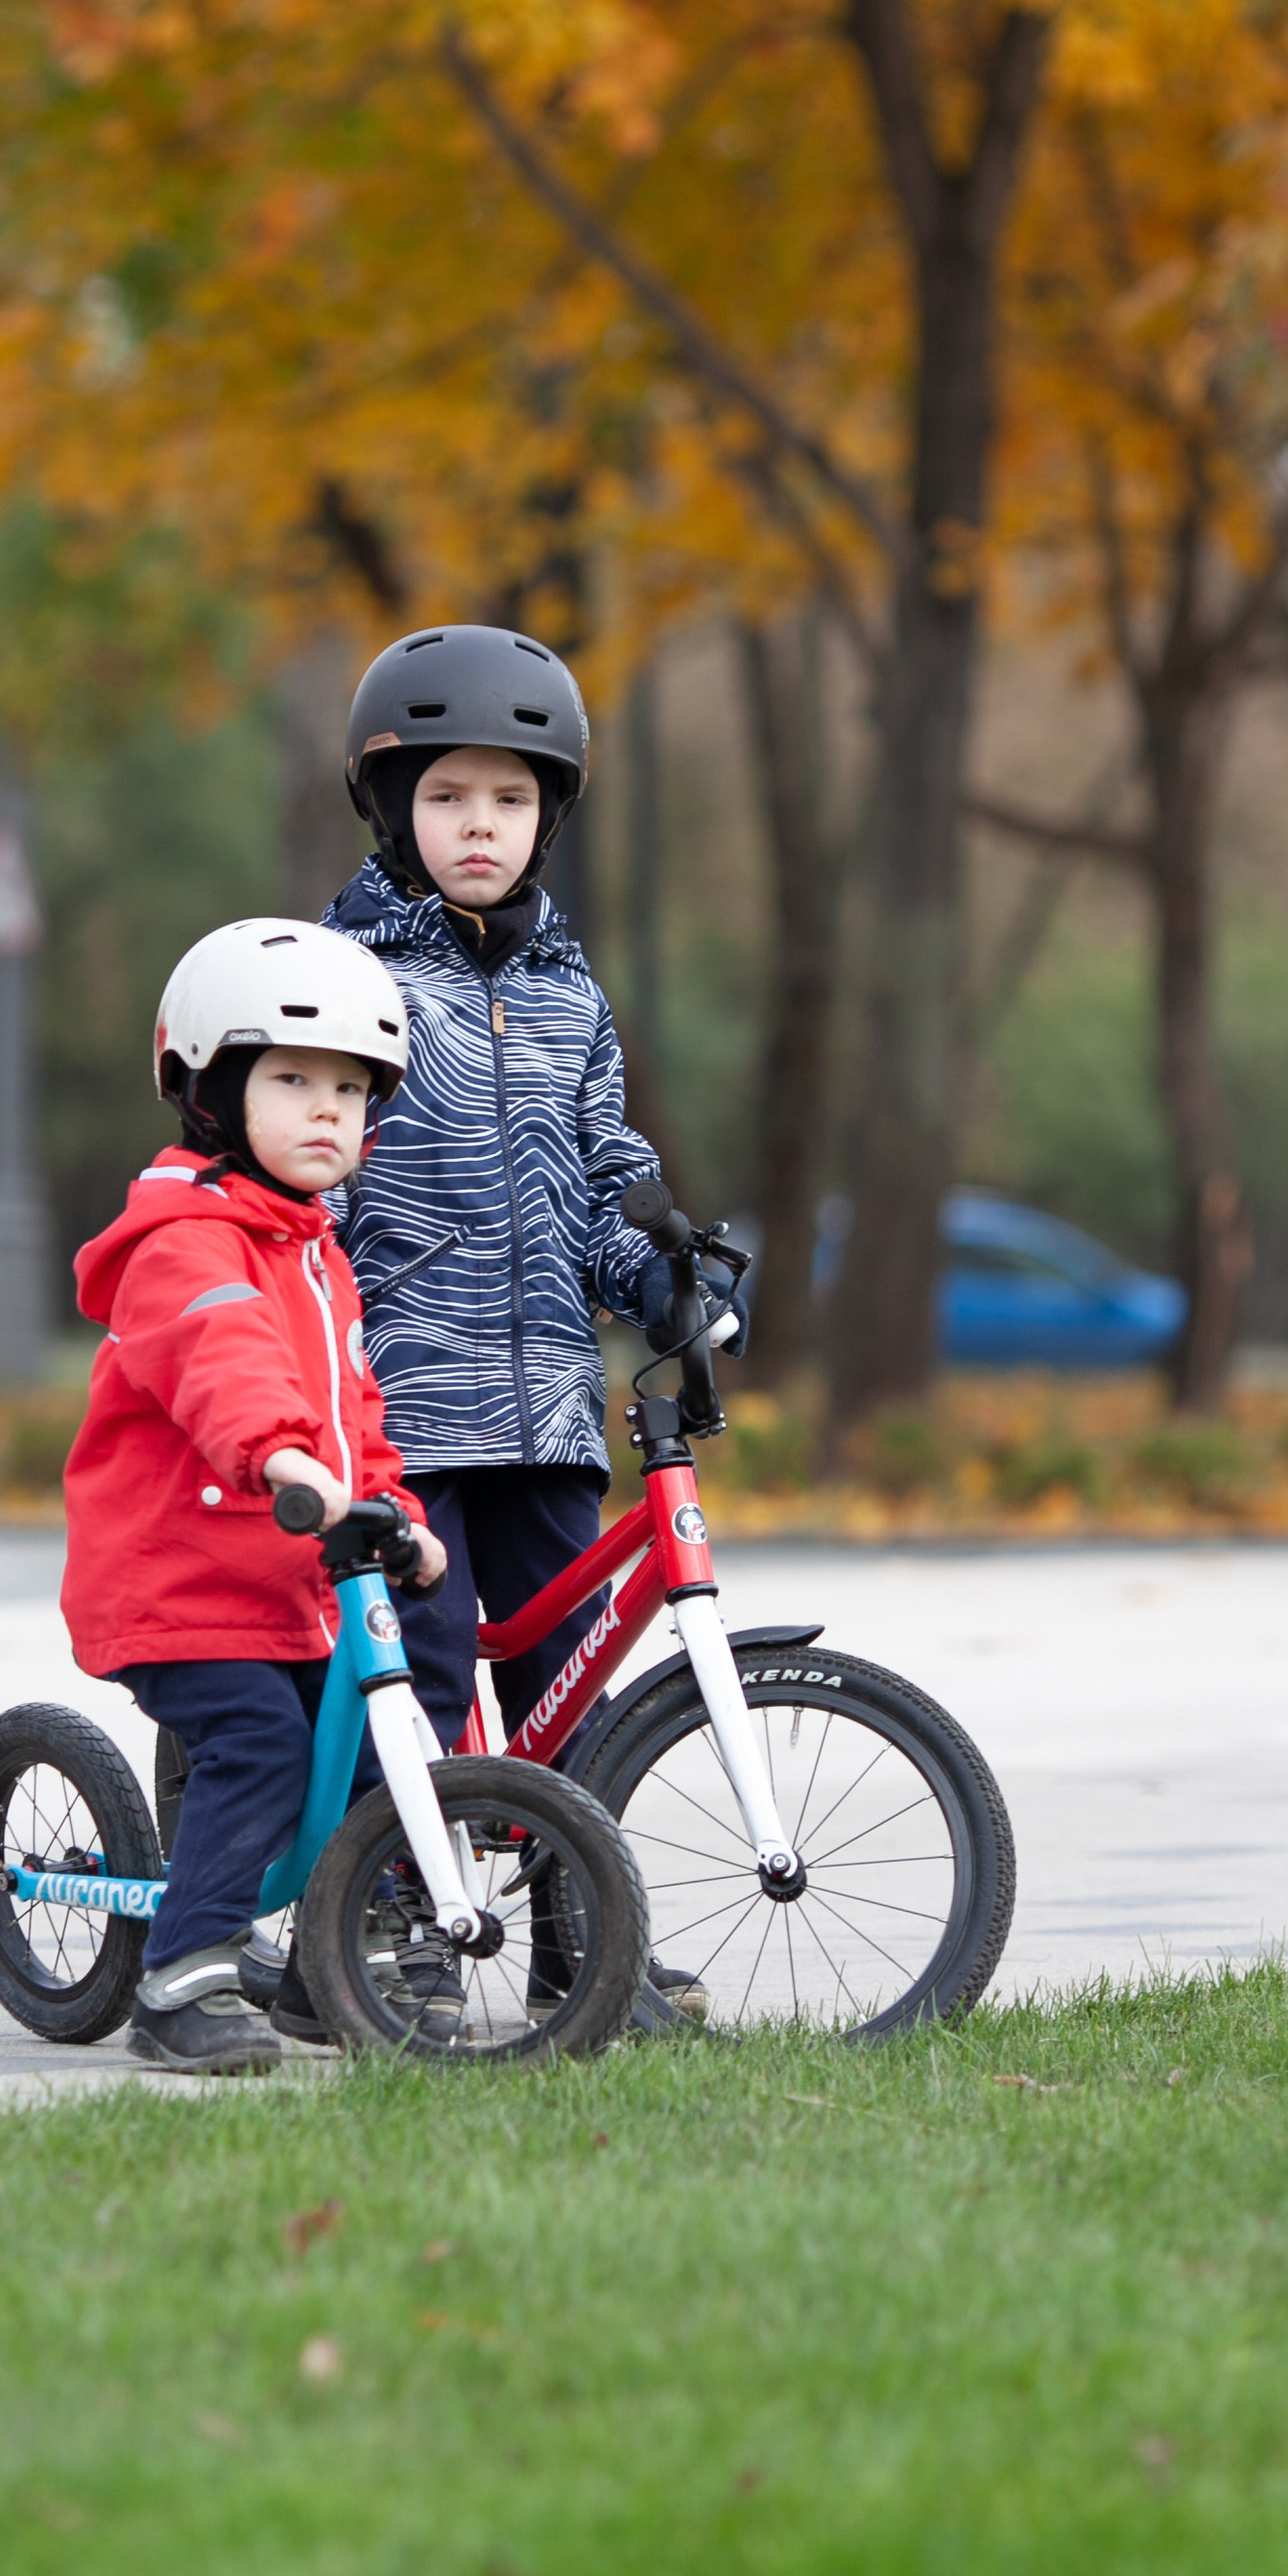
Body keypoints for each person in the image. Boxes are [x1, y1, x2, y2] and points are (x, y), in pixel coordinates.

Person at [322, 625, 741, 1769]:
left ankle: (583, 1943)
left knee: (573, 1682)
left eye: (510, 799)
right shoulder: (339, 983)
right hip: (398, 1410)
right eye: (447, 794)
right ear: (390, 803)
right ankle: (397, 1915)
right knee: (426, 1666)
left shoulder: (569, 998)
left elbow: (603, 1184)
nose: (478, 824)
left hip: (549, 1414)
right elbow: (305, 1191)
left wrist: (664, 1281)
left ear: (545, 818)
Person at [60, 919, 446, 2073]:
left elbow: (356, 1418)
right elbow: (224, 1365)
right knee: (266, 1751)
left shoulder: (315, 1254)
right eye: (291, 1081)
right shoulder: (181, 1242)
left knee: (380, 1742)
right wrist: (279, 1457)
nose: (327, 1111)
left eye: (349, 1088)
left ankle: (332, 1961)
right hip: (178, 1581)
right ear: (212, 1090)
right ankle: (179, 1980)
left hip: (284, 1580)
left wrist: (396, 1513)